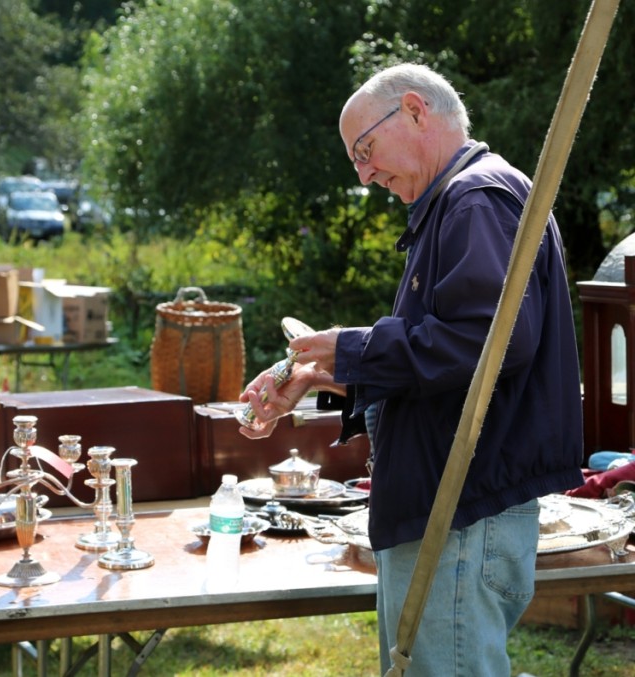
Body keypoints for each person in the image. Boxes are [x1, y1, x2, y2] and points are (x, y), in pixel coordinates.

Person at [239, 63, 584, 675]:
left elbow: (484, 343)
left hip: (460, 517)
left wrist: (349, 348)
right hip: (452, 516)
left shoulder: (474, 200)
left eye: (365, 150)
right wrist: (323, 377)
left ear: (417, 111)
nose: (366, 174)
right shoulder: (464, 199)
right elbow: (446, 362)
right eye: (356, 161)